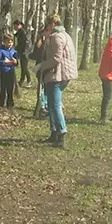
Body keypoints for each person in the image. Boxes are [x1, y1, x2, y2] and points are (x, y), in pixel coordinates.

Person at [34, 13, 78, 148]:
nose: (46, 29)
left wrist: (41, 66)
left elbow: (56, 59)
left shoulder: (56, 37)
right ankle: (54, 133)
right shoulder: (65, 35)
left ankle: (61, 133)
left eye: (47, 26)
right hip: (61, 74)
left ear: (52, 24)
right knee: (52, 105)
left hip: (57, 75)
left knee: (55, 105)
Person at [0, 34, 19, 109]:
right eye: (8, 42)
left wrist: (15, 62)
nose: (10, 44)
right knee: (3, 88)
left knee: (10, 88)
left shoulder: (13, 51)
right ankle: (1, 103)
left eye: (11, 42)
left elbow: (16, 62)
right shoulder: (0, 51)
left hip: (11, 72)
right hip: (3, 72)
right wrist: (5, 62)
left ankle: (10, 103)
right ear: (3, 42)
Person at [29, 26, 50, 117]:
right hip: (41, 67)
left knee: (46, 87)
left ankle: (45, 105)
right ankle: (42, 106)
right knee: (41, 87)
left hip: (47, 67)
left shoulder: (49, 42)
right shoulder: (40, 43)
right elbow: (36, 55)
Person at [13, 20, 32, 88]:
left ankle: (29, 81)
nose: (14, 28)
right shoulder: (20, 32)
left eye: (15, 26)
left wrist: (16, 48)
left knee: (24, 67)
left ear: (19, 25)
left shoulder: (23, 32)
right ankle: (21, 81)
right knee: (23, 67)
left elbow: (23, 43)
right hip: (23, 51)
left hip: (25, 51)